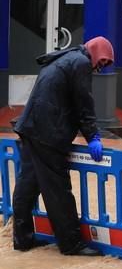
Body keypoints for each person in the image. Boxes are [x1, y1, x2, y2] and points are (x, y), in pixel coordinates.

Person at [12, 36, 114, 256]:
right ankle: (71, 244)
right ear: (95, 52)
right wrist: (93, 136)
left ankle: (22, 239)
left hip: (31, 126)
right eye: (102, 61)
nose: (100, 68)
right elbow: (83, 102)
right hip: (48, 132)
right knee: (58, 190)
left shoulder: (66, 58)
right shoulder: (81, 63)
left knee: (27, 184)